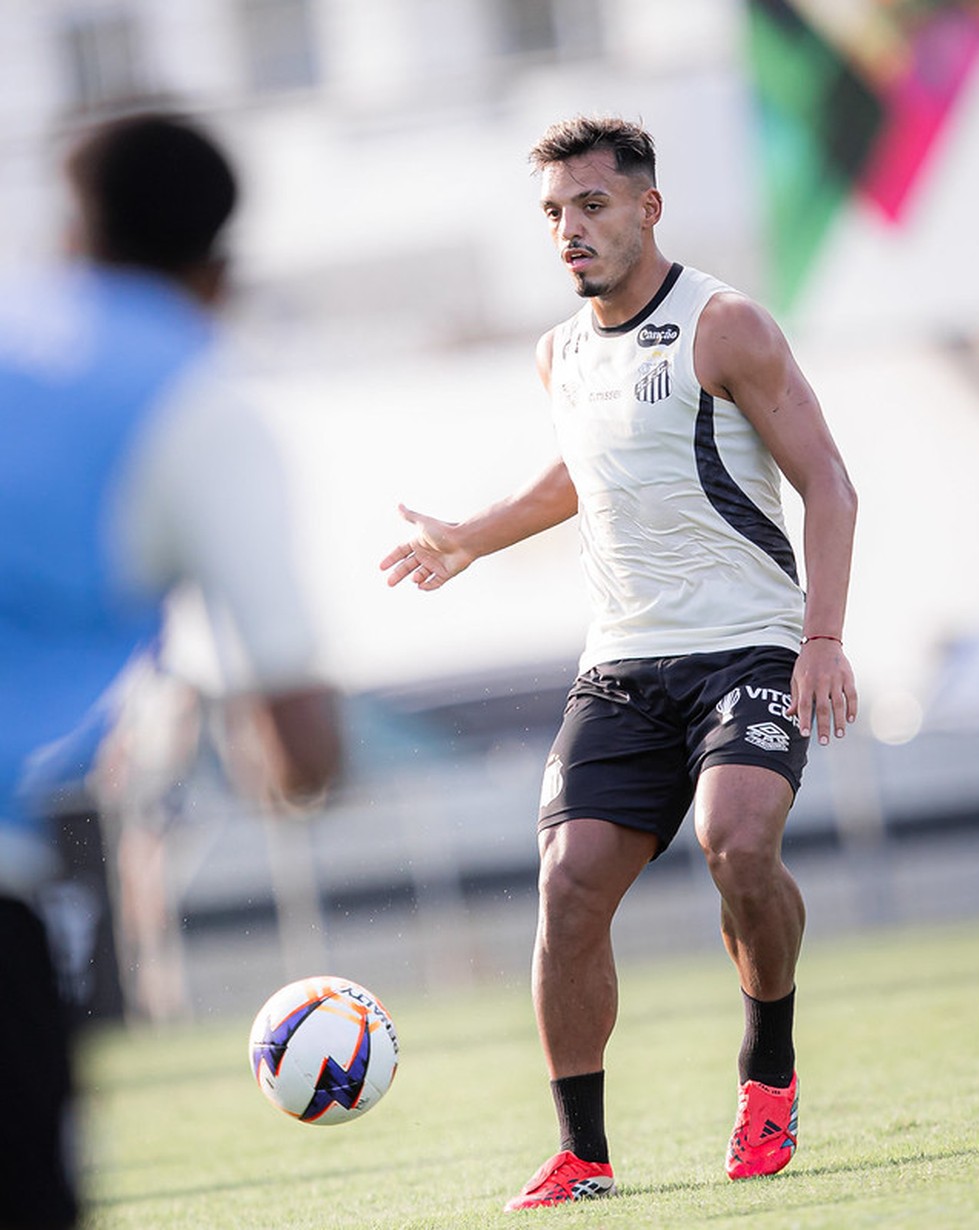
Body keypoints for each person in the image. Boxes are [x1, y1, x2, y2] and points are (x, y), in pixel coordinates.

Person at [380, 115, 857, 1209]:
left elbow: (829, 482)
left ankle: (767, 1072)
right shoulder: (558, 352)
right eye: (553, 213)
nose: (570, 232)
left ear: (648, 207)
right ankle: (583, 1155)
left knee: (734, 845)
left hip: (750, 645)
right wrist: (467, 534)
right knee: (568, 884)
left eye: (591, 206)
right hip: (624, 666)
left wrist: (822, 638)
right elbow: (581, 472)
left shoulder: (725, 324)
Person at [0, 111, 341, 1229]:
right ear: (219, 271)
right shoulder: (198, 407)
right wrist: (280, 770)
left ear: (69, 237)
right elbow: (302, 751)